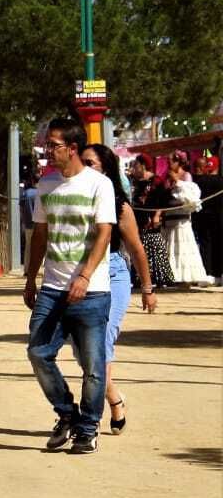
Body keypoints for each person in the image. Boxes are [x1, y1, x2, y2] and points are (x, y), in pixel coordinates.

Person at [24, 118, 115, 455]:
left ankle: (88, 429)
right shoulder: (46, 184)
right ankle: (67, 414)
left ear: (73, 148)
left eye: (54, 145)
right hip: (52, 288)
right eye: (47, 144)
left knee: (93, 366)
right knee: (38, 353)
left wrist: (85, 276)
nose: (48, 150)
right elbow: (40, 235)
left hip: (91, 290)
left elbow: (104, 233)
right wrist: (30, 277)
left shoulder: (99, 184)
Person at [81, 145, 158, 435]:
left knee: (101, 343)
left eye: (91, 163)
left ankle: (91, 416)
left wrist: (147, 288)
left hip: (113, 274)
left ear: (106, 168)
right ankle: (114, 397)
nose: (84, 167)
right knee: (84, 350)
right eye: (81, 162)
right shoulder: (72, 198)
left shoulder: (120, 206)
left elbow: (136, 249)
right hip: (81, 275)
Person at [161, 156, 210, 287]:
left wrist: (177, 181)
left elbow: (191, 198)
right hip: (170, 218)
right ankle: (172, 276)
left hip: (181, 220)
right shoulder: (167, 178)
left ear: (179, 162)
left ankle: (186, 278)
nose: (169, 164)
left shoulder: (186, 176)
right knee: (170, 247)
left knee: (184, 247)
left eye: (171, 161)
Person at [128, 156, 174, 288]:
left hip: (152, 217)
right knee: (139, 245)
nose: (134, 168)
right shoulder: (135, 182)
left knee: (154, 244)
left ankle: (159, 276)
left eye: (136, 165)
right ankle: (140, 277)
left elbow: (163, 200)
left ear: (143, 165)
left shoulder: (156, 181)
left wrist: (157, 215)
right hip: (138, 217)